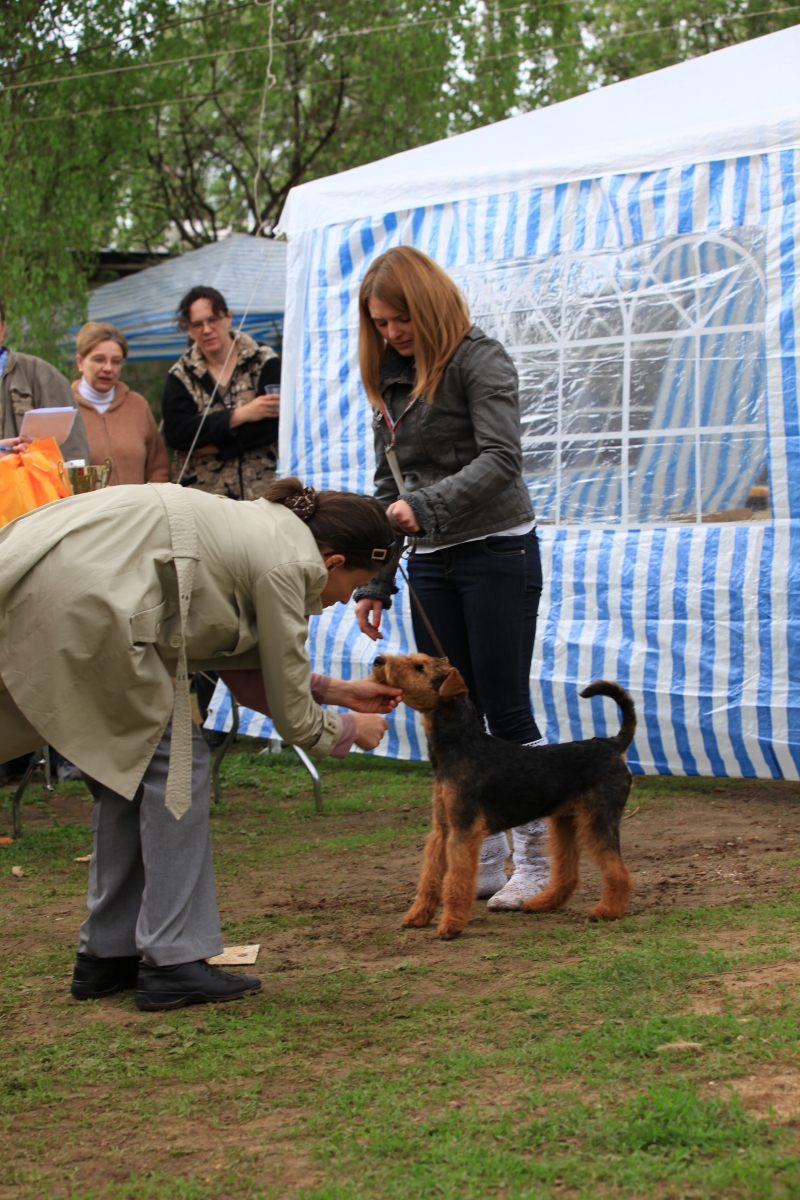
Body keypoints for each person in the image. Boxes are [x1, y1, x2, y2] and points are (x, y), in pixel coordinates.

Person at [0, 477, 402, 1009]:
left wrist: (339, 692)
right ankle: (172, 961)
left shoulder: (265, 529)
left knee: (132, 772)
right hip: (93, 604)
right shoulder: (293, 564)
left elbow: (244, 665)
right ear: (331, 562)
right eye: (356, 583)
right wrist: (347, 730)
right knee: (177, 774)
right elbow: (292, 712)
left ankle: (108, 955)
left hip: (60, 574)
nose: (343, 599)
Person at [353, 246, 550, 912]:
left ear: (427, 305)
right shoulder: (393, 378)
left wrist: (426, 507)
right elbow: (391, 485)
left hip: (496, 550)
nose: (390, 335)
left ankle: (539, 860)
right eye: (379, 325)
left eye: (399, 320)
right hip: (431, 561)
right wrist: (376, 580)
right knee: (452, 716)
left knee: (504, 708)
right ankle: (483, 860)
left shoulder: (481, 360)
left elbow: (502, 460)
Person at [162, 285, 280, 502]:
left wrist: (215, 445)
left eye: (213, 319)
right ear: (188, 329)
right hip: (204, 500)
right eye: (197, 324)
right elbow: (178, 433)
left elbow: (273, 426)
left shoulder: (264, 361)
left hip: (263, 494)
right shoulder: (180, 375)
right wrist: (240, 415)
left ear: (228, 317)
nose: (206, 330)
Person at [72, 322, 170, 486]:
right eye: (99, 360)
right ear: (80, 362)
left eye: (116, 361)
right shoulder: (66, 409)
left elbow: (158, 468)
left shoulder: (137, 406)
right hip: (90, 511)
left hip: (140, 510)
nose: (108, 368)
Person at [0, 299, 89, 464]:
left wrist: (37, 458)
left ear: (2, 329)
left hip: (27, 488)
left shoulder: (43, 376)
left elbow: (73, 459)